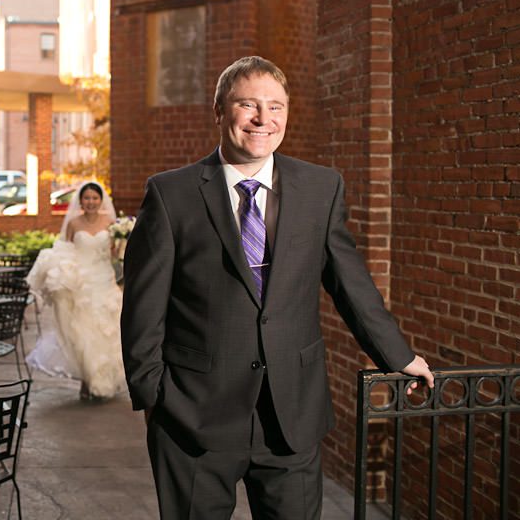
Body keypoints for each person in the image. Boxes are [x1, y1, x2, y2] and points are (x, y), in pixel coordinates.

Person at [120, 56, 435, 519]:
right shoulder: (171, 194)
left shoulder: (320, 188)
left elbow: (351, 284)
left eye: (276, 106)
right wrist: (155, 397)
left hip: (292, 416)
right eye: (248, 104)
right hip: (194, 418)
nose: (263, 119)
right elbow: (142, 308)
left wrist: (398, 356)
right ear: (219, 111)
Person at [26, 182, 127, 400]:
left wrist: (122, 248)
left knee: (107, 331)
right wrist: (61, 276)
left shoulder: (112, 224)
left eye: (95, 198)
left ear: (101, 201)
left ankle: (105, 379)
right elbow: (64, 252)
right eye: (87, 198)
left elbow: (114, 255)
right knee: (82, 331)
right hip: (82, 282)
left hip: (104, 280)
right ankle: (86, 379)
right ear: (80, 201)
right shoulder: (73, 223)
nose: (91, 202)